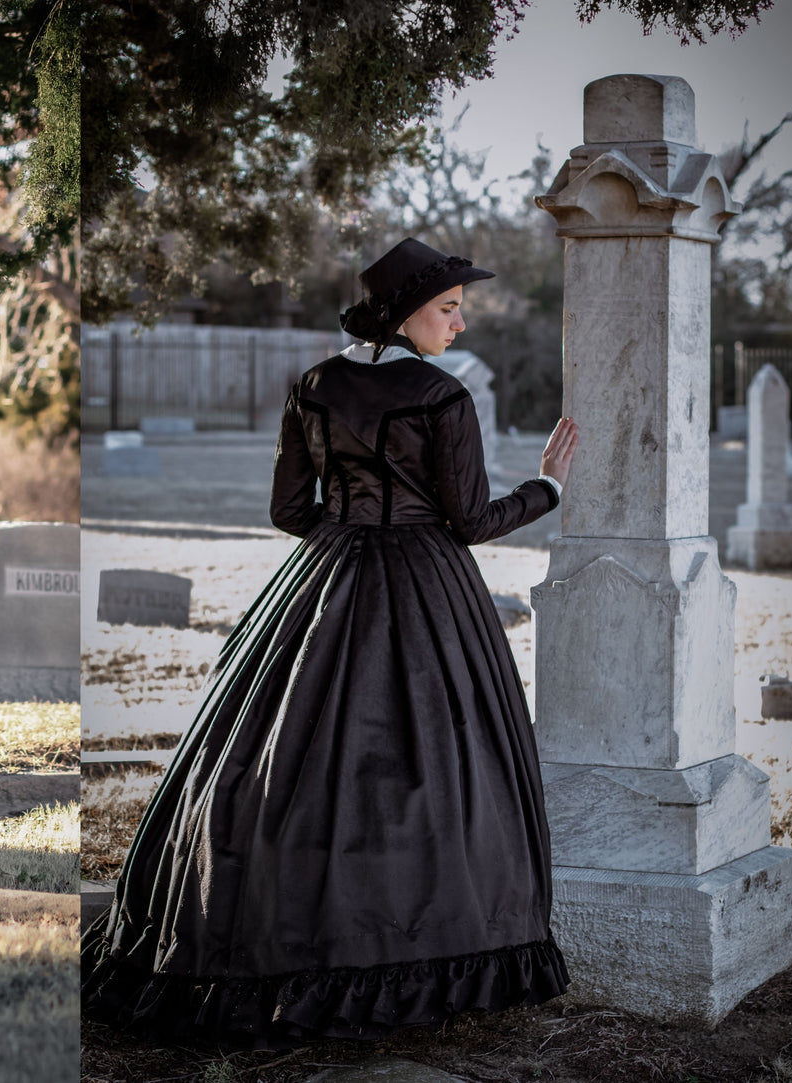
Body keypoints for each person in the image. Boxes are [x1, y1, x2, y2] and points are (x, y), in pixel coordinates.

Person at [81, 237, 581, 1045]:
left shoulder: (313, 386)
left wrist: (345, 544)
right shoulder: (440, 397)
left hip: (325, 576)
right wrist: (548, 486)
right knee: (441, 760)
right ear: (403, 312)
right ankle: (417, 945)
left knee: (282, 755)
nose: (458, 326)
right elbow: (473, 522)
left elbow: (288, 509)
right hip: (428, 588)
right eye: (448, 309)